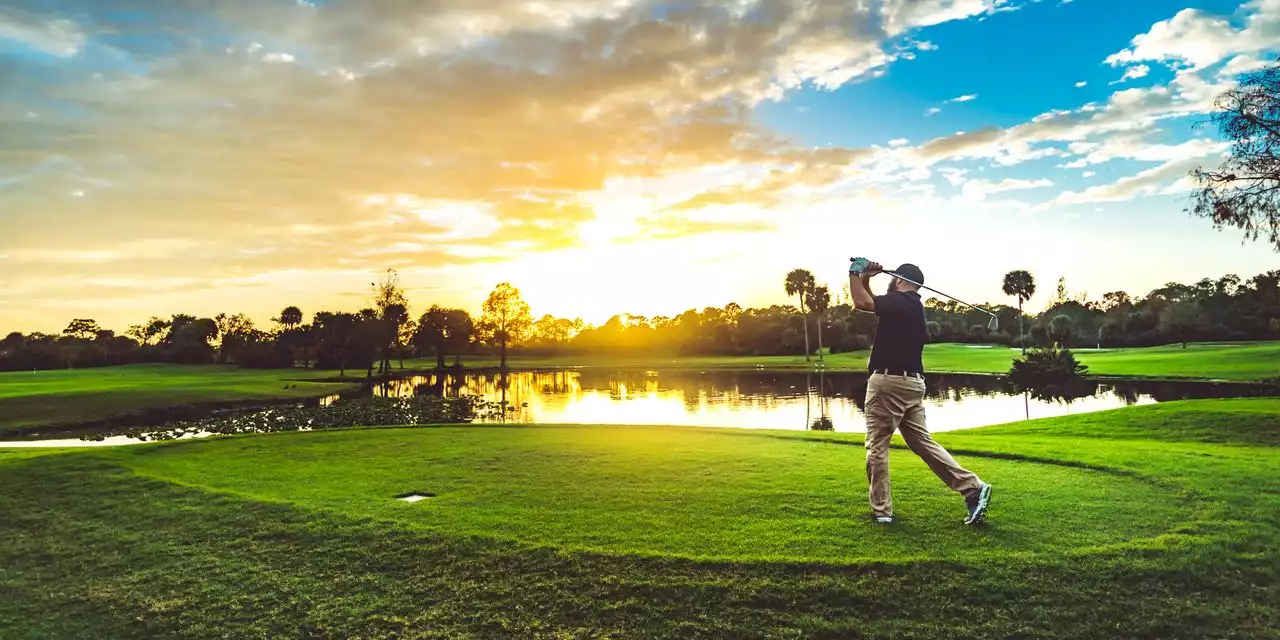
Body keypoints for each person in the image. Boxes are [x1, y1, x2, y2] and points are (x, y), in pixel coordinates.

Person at [849, 260, 992, 525]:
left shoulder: (901, 301)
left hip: (889, 384)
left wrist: (854, 273)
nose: (891, 281)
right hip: (911, 385)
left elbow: (863, 303)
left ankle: (882, 511)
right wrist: (867, 279)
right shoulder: (911, 306)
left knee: (877, 446)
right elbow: (872, 302)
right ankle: (972, 488)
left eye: (894, 278)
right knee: (921, 443)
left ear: (901, 280)